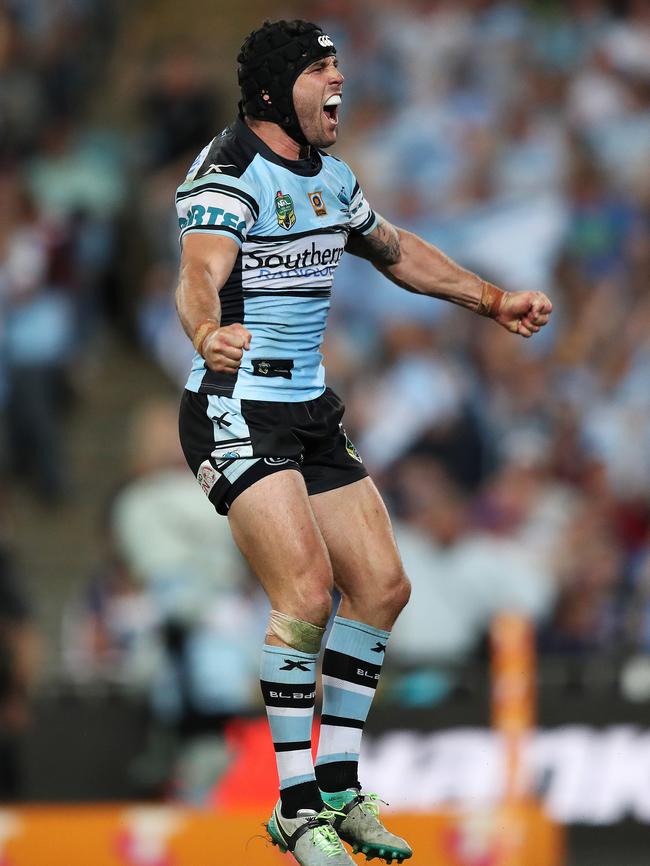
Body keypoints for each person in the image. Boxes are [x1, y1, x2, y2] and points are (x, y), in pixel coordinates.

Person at [174, 19, 552, 866]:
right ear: (276, 90)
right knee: (306, 595)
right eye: (322, 68)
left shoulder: (333, 179)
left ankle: (340, 792)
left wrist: (493, 301)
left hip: (307, 409)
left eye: (339, 64)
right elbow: (200, 269)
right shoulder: (228, 174)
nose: (340, 80)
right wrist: (206, 333)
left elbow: (396, 251)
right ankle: (296, 808)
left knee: (382, 587)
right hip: (237, 405)